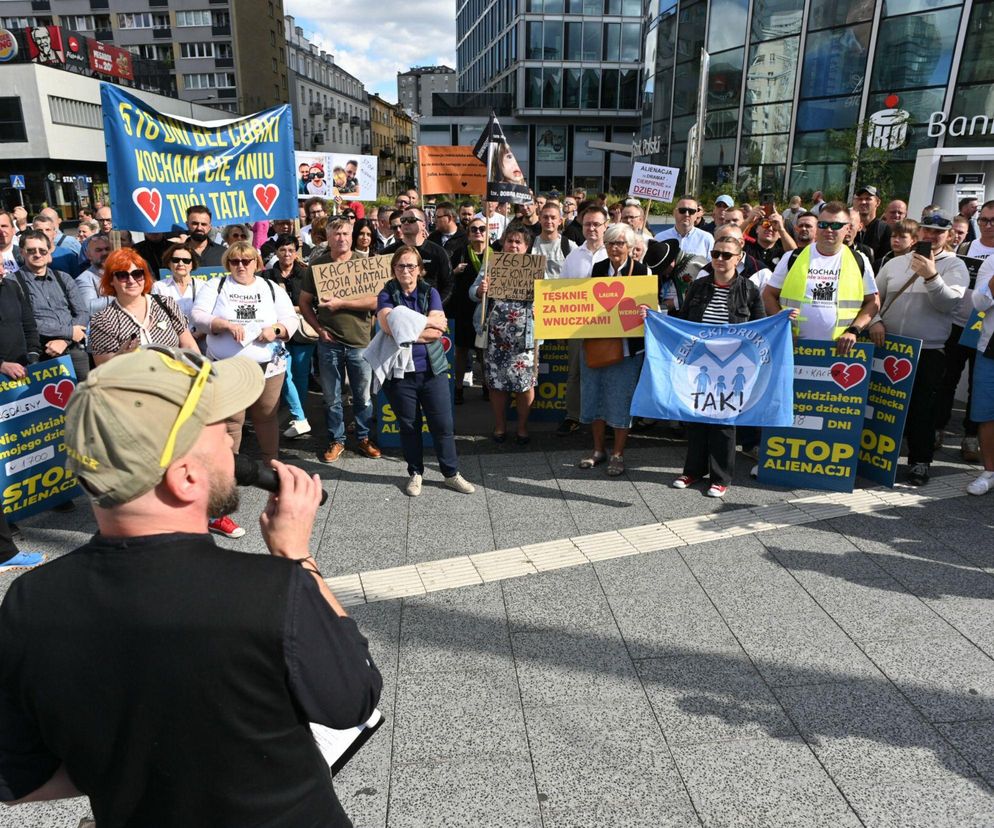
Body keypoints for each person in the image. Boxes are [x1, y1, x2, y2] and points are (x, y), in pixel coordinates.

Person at [0, 346, 382, 823]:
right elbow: (354, 699)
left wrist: (129, 769)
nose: (233, 446)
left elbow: (18, 783)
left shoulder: (28, 604)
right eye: (222, 432)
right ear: (184, 478)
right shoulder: (271, 591)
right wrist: (295, 553)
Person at [192, 242, 299, 536]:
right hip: (229, 368)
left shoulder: (271, 287)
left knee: (267, 416)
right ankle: (228, 476)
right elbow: (197, 315)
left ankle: (272, 466)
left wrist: (275, 330)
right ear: (228, 263)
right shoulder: (216, 285)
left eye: (247, 260)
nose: (241, 265)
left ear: (257, 262)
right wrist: (222, 323)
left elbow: (291, 319)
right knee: (231, 423)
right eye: (236, 260)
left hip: (269, 367)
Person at [868, 211, 968, 486]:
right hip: (888, 346)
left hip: (928, 349)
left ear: (949, 235)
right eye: (927, 231)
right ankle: (873, 456)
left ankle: (920, 461)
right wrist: (875, 321)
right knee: (882, 404)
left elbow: (949, 304)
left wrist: (931, 275)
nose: (932, 236)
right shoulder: (895, 263)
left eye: (939, 232)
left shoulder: (955, 266)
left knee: (923, 409)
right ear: (919, 232)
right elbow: (874, 299)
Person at [369, 247, 475, 496]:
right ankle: (416, 473)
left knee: (443, 424)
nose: (405, 271)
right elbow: (387, 327)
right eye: (400, 266)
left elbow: (438, 332)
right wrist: (425, 322)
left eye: (410, 266)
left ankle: (451, 473)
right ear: (393, 269)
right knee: (409, 425)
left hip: (432, 370)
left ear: (420, 269)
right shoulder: (386, 294)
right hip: (399, 373)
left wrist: (405, 328)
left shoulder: (431, 292)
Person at [673, 235, 766, 497]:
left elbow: (760, 327)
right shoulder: (699, 286)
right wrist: (655, 316)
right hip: (700, 363)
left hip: (732, 365)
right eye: (716, 254)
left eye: (727, 254)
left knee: (724, 422)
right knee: (698, 418)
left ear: (739, 258)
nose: (720, 259)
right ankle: (693, 471)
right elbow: (683, 321)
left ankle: (720, 477)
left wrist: (782, 319)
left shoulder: (749, 290)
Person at [299, 219, 381, 463]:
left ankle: (364, 437)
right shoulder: (317, 265)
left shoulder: (364, 264)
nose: (341, 238)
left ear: (352, 235)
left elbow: (377, 301)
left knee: (363, 396)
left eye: (346, 233)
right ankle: (337, 440)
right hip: (329, 342)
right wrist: (317, 329)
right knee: (332, 397)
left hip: (360, 342)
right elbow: (304, 302)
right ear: (328, 236)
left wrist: (342, 303)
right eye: (336, 234)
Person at [577, 223, 652, 476]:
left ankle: (618, 454)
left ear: (630, 247)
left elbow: (653, 310)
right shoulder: (597, 269)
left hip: (628, 351)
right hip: (597, 347)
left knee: (621, 402)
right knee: (595, 398)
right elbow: (583, 304)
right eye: (610, 242)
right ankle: (598, 451)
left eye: (620, 243)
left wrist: (647, 312)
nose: (614, 247)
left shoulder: (642, 271)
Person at [763, 202, 879, 356]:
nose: (828, 230)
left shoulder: (859, 260)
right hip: (794, 347)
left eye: (836, 225)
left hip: (838, 351)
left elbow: (873, 302)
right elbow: (768, 295)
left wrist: (854, 330)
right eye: (823, 224)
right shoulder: (792, 257)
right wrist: (783, 327)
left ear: (848, 228)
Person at [470, 225, 537, 444]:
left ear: (527, 247)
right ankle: (500, 427)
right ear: (503, 243)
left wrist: (541, 304)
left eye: (519, 242)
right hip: (494, 338)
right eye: (510, 241)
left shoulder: (535, 267)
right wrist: (481, 290)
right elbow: (472, 292)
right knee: (496, 385)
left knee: (525, 384)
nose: (513, 245)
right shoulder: (492, 264)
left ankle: (522, 428)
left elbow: (549, 297)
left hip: (524, 339)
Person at [940, 200, 994, 461]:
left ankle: (971, 436)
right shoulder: (966, 246)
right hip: (959, 323)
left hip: (987, 332)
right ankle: (938, 427)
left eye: (993, 221)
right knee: (947, 379)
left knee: (978, 385)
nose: (988, 226)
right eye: (983, 220)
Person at [88, 248, 197, 365]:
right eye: (122, 275)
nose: (131, 280)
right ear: (111, 281)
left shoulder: (166, 304)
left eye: (137, 274)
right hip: (134, 382)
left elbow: (189, 346)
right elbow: (104, 370)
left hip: (174, 379)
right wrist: (121, 356)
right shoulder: (103, 321)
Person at [557, 205, 610, 435]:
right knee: (575, 372)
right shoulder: (573, 256)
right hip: (578, 327)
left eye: (596, 224)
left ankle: (607, 418)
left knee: (607, 372)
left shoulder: (614, 253)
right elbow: (560, 291)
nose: (592, 228)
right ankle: (573, 415)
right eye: (587, 224)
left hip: (607, 327)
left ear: (605, 226)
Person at [14, 229, 90, 382]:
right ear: (22, 252)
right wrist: (69, 331)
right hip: (39, 352)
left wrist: (65, 340)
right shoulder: (13, 283)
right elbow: (24, 322)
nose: (37, 254)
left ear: (49, 252)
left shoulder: (63, 277)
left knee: (86, 398)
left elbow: (82, 312)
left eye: (42, 250)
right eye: (31, 250)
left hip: (73, 349)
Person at [265, 233, 314, 439]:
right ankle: (299, 416)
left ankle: (298, 417)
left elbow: (313, 303)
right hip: (279, 333)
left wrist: (292, 309)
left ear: (296, 252)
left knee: (301, 376)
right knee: (285, 374)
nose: (287, 254)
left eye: (291, 250)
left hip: (302, 332)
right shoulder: (266, 276)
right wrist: (294, 309)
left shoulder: (305, 273)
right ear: (276, 252)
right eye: (283, 250)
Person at [449, 217, 492, 404]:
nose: (478, 232)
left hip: (486, 310)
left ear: (488, 233)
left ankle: (486, 387)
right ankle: (458, 388)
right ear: (468, 234)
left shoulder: (494, 256)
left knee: (483, 352)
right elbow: (445, 279)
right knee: (461, 351)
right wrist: (454, 271)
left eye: (482, 229)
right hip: (463, 309)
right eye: (474, 229)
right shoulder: (459, 253)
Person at [383, 208, 453, 303]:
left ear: (423, 224)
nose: (406, 223)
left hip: (429, 312)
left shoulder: (437, 252)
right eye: (403, 220)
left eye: (411, 219)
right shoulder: (387, 253)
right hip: (396, 311)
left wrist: (435, 307)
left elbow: (449, 285)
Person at [968, 256, 994, 494]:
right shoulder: (992, 262)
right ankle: (989, 471)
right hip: (991, 348)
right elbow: (978, 303)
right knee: (987, 412)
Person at [152, 242, 204, 344]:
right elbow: (156, 318)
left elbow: (210, 316)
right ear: (169, 263)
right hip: (171, 343)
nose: (181, 264)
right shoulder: (159, 287)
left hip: (200, 343)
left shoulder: (203, 286)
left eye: (186, 260)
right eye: (176, 260)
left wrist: (195, 336)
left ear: (192, 264)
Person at [75, 232, 112, 316]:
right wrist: (121, 297)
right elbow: (89, 307)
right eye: (98, 250)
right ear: (88, 255)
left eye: (107, 249)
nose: (104, 253)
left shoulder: (123, 272)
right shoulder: (84, 279)